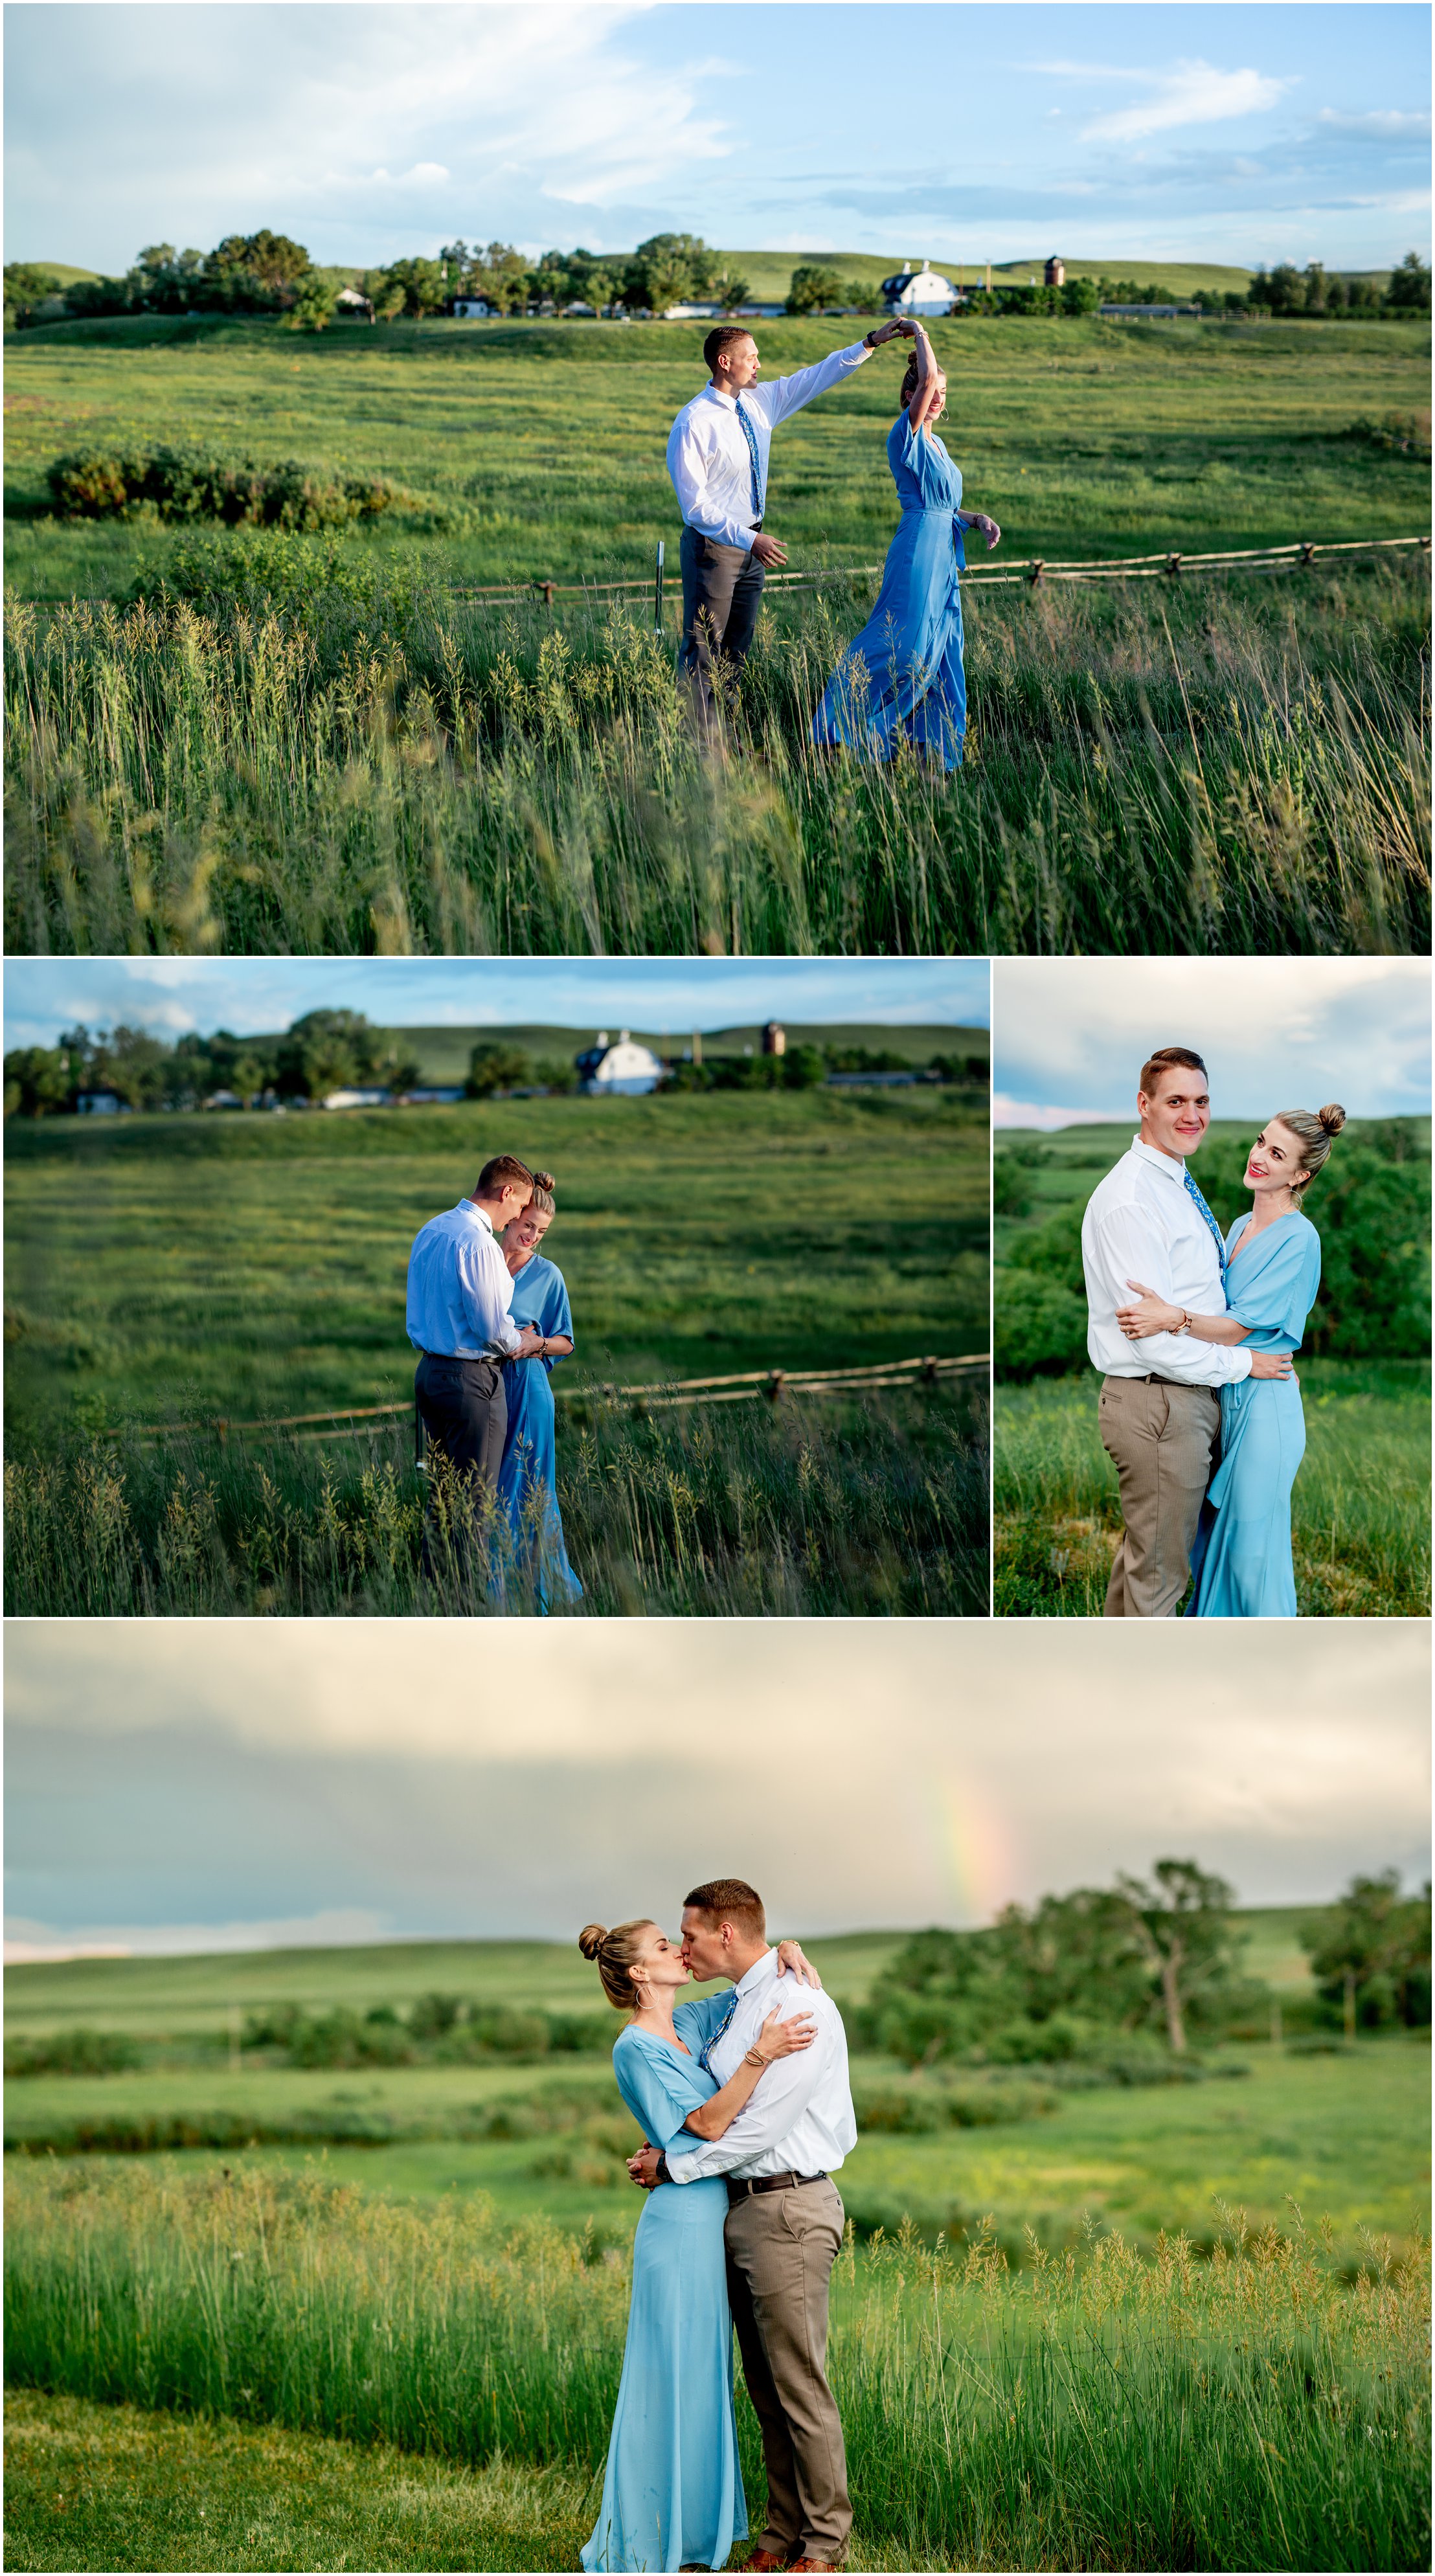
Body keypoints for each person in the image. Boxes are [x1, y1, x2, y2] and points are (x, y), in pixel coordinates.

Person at [578, 1912, 825, 2576]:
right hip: (679, 2223)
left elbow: (750, 1983)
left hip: (715, 2214)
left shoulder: (686, 2025)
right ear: (637, 1972)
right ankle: (647, 2537)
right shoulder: (634, 2047)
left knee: (705, 2377)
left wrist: (784, 1949)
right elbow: (707, 2123)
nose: (678, 1952)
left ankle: (691, 2540)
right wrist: (758, 2056)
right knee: (670, 2372)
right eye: (665, 1946)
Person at [627, 1878, 858, 2576]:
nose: (682, 1946)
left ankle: (824, 2545)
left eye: (688, 1934)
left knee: (799, 2384)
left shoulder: (798, 2006)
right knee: (764, 2386)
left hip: (787, 2206)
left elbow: (759, 2131)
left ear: (724, 1932)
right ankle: (781, 2534)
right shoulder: (744, 2002)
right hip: (739, 2209)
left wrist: (675, 2167)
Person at [1081, 1048, 1294, 1620]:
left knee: (1146, 1566)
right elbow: (1152, 1340)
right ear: (1143, 1104)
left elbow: (1187, 1302)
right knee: (1162, 1579)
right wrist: (1244, 1363)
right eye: (1176, 1101)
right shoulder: (1132, 1200)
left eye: (1201, 1101)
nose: (1192, 1115)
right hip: (1160, 1401)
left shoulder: (1174, 1183)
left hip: (1181, 1399)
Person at [1114, 1105, 1344, 1618]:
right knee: (1207, 1541)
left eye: (1277, 1154)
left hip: (1265, 1406)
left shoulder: (1299, 1238)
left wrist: (1171, 1316)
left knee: (1250, 1554)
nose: (1259, 1156)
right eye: (1262, 1141)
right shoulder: (1240, 1224)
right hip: (1225, 1395)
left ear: (1301, 1175)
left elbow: (1239, 1326)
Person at [666, 316, 913, 732]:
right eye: (752, 358)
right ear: (725, 363)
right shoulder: (694, 422)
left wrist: (871, 343)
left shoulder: (760, 402)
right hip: (714, 550)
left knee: (736, 653)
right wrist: (750, 539)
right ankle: (701, 752)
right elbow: (695, 509)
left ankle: (724, 738)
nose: (759, 365)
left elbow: (817, 375)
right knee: (703, 652)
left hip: (752, 546)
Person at [813, 319, 1000, 769]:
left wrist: (975, 519)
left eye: (944, 394)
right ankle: (835, 729)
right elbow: (923, 509)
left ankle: (924, 748)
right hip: (918, 552)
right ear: (911, 396)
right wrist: (919, 334)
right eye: (931, 391)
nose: (938, 398)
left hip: (944, 557)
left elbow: (941, 505)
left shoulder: (939, 446)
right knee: (906, 644)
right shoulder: (906, 435)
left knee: (942, 649)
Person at [405, 1155, 543, 1508]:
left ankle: (437, 1566)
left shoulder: (432, 1229)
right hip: (470, 1383)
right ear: (506, 1192)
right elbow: (490, 1328)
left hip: (429, 1375)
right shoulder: (478, 1242)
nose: (518, 1216)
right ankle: (469, 1566)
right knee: (475, 1508)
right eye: (520, 1205)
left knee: (442, 1504)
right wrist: (522, 1341)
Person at [494, 1172, 583, 1609]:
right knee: (490, 1487)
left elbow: (566, 1340)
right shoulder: (484, 1259)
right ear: (512, 1215)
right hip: (484, 1388)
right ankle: (492, 1587)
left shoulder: (548, 1276)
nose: (532, 1236)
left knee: (527, 1488)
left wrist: (538, 1344)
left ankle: (535, 1591)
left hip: (529, 1389)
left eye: (542, 1231)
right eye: (528, 1224)